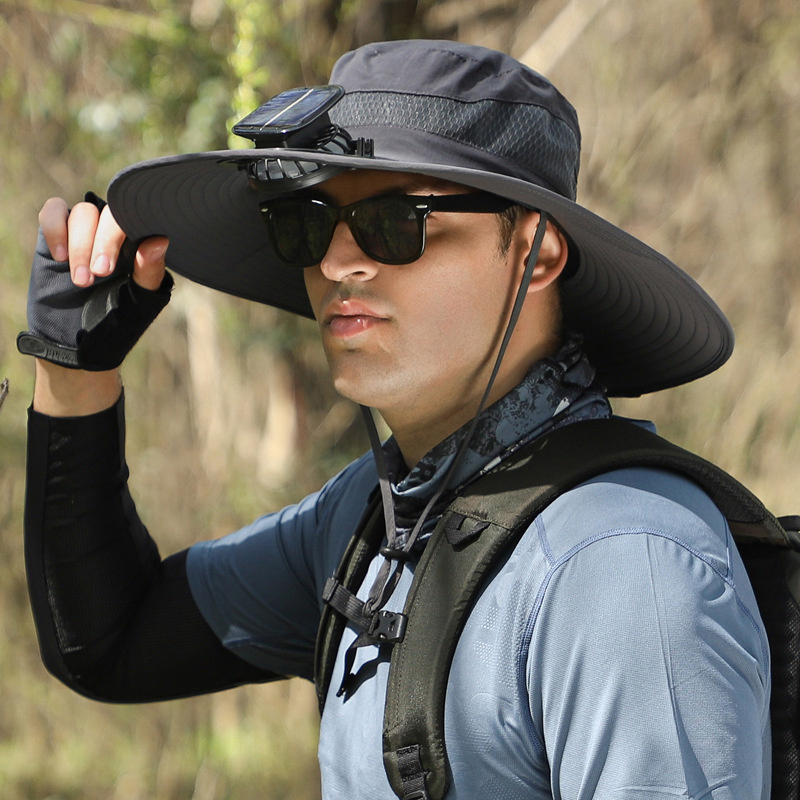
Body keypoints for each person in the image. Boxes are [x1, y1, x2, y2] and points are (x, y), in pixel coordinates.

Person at [20, 39, 769, 799]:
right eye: (307, 222)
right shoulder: (373, 517)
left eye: (394, 222)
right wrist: (74, 369)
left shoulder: (622, 564)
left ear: (536, 254)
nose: (336, 263)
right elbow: (111, 642)